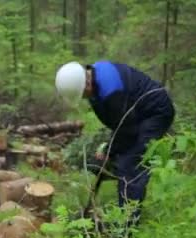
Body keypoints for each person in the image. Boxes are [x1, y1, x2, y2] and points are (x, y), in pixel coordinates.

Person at [55, 60, 175, 227]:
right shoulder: (95, 80)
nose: (84, 98)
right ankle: (124, 215)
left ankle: (127, 228)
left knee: (131, 163)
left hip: (155, 113)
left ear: (86, 83)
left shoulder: (111, 91)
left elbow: (127, 128)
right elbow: (118, 121)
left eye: (83, 94)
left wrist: (111, 151)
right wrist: (109, 148)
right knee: (121, 156)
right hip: (136, 116)